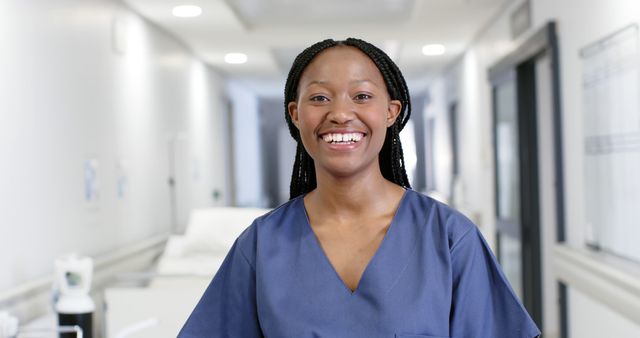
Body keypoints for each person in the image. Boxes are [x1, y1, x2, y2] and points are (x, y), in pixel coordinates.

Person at [178, 38, 541, 338]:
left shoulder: (448, 238)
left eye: (362, 96)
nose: (339, 113)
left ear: (391, 111)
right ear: (295, 114)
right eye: (319, 98)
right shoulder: (261, 245)